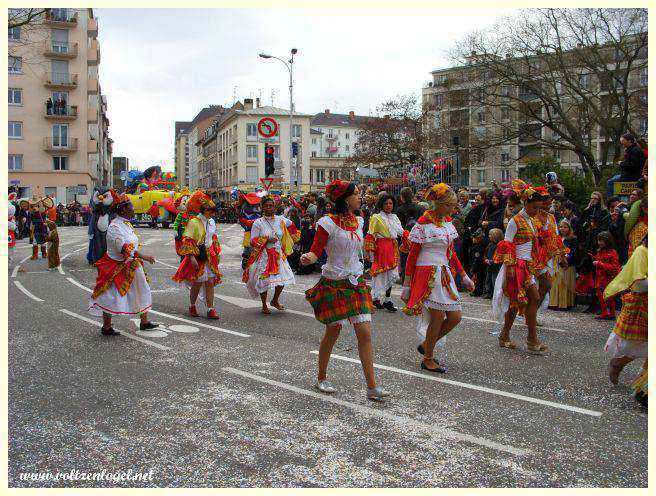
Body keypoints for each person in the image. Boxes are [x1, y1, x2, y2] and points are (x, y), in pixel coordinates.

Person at [301, 180, 389, 401]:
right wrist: (308, 257)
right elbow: (316, 250)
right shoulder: (327, 223)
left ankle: (371, 386)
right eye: (357, 193)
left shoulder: (359, 221)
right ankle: (322, 377)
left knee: (365, 333)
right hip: (335, 282)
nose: (360, 197)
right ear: (345, 199)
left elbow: (359, 249)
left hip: (356, 281)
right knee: (333, 332)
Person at [401, 183, 474, 373]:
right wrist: (407, 285)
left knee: (455, 316)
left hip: (444, 273)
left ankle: (427, 344)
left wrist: (464, 275)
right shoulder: (422, 225)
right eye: (449, 205)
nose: (452, 209)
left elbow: (451, 253)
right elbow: (412, 257)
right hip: (426, 274)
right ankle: (428, 358)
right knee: (438, 316)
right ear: (438, 204)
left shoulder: (448, 224)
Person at [88, 195, 159, 335]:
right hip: (115, 266)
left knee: (142, 289)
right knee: (110, 294)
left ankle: (144, 322)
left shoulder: (126, 224)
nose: (133, 210)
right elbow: (123, 249)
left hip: (131, 264)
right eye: (131, 207)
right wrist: (144, 256)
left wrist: (138, 256)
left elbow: (131, 246)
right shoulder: (114, 226)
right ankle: (106, 327)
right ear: (123, 210)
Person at [491, 180, 548, 354]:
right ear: (526, 203)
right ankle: (508, 335)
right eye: (535, 207)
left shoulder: (532, 220)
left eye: (539, 208)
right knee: (515, 304)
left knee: (534, 298)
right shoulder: (515, 221)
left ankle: (529, 338)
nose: (537, 211)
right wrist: (509, 269)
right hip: (515, 266)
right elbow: (507, 244)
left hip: (527, 267)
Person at [243, 195, 300, 314]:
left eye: (271, 206)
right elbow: (252, 241)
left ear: (275, 207)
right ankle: (264, 304)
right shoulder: (258, 223)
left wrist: (292, 238)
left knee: (283, 279)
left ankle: (275, 300)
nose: (269, 208)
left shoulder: (281, 220)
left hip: (279, 254)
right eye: (266, 206)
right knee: (264, 281)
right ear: (262, 207)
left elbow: (293, 226)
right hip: (264, 256)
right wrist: (266, 240)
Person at [604, 236, 647, 388]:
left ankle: (643, 384)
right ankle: (618, 364)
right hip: (641, 305)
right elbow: (638, 283)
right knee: (636, 344)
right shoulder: (642, 251)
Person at [172, 191, 222, 319]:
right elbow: (187, 239)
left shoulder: (211, 222)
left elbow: (213, 238)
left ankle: (210, 308)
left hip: (209, 256)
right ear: (203, 210)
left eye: (213, 210)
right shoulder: (194, 222)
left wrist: (216, 253)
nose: (212, 213)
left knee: (210, 282)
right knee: (197, 283)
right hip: (198, 255)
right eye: (209, 210)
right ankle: (192, 305)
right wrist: (192, 257)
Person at [364, 194, 407, 312]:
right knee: (379, 273)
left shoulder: (395, 217)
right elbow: (370, 233)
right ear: (381, 205)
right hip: (381, 248)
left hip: (393, 248)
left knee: (391, 273)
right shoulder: (376, 217)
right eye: (386, 203)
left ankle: (387, 299)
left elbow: (401, 232)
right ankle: (375, 298)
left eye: (391, 203)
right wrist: (368, 251)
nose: (389, 206)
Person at [548, 220, 578, 310]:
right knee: (555, 283)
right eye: (561, 227)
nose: (562, 229)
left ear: (569, 228)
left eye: (565, 227)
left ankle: (564, 303)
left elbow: (573, 252)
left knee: (564, 283)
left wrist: (566, 260)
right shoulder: (557, 238)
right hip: (556, 262)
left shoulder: (572, 239)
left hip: (566, 263)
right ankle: (554, 302)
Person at [593, 231, 621, 320]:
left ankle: (611, 314)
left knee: (609, 296)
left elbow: (615, 267)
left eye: (601, 241)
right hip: (599, 278)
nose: (599, 243)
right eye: (598, 240)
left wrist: (600, 264)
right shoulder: (599, 251)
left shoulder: (612, 252)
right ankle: (605, 312)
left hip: (608, 278)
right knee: (601, 296)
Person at [483, 228, 503, 299]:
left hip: (495, 266)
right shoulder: (490, 245)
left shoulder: (498, 246)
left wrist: (491, 261)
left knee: (494, 280)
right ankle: (488, 292)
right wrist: (486, 259)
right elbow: (486, 253)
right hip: (489, 265)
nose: (489, 236)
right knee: (488, 279)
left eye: (490, 235)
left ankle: (496, 293)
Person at [468, 228, 486, 296]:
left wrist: (474, 267)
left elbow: (477, 258)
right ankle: (474, 290)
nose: (473, 239)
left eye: (475, 238)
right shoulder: (474, 246)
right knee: (475, 279)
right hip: (474, 264)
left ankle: (478, 291)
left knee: (479, 279)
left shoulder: (480, 247)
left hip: (479, 266)